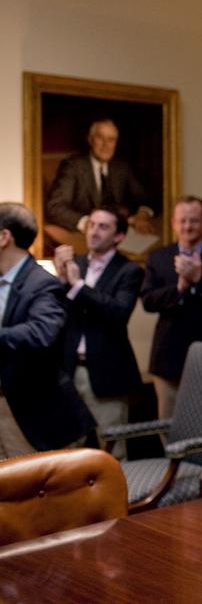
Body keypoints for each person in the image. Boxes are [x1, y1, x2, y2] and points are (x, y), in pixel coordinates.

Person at [0, 202, 94, 458]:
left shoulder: (43, 284)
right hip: (5, 406)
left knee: (37, 494)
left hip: (33, 413)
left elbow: (41, 333)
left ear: (4, 237)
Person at [53, 206, 144, 458]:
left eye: (103, 227)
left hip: (108, 373)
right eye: (92, 224)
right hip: (70, 370)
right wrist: (61, 283)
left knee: (112, 451)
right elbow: (57, 315)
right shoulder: (76, 264)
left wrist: (78, 286)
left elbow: (118, 312)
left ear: (119, 236)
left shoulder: (129, 270)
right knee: (67, 450)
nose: (94, 231)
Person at [141, 196, 202, 418]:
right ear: (173, 224)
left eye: (194, 221)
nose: (188, 226)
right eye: (182, 221)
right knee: (170, 425)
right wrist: (179, 287)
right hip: (169, 358)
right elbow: (148, 301)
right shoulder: (158, 257)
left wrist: (199, 279)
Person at [45, 119, 156, 236]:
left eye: (111, 140)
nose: (106, 145)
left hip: (119, 232)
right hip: (84, 236)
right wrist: (88, 223)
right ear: (90, 140)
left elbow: (146, 197)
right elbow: (55, 208)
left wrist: (142, 216)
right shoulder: (73, 166)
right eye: (100, 138)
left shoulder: (121, 166)